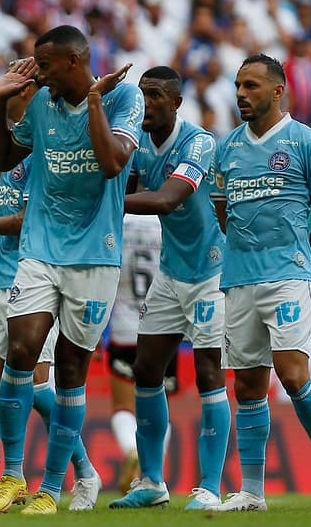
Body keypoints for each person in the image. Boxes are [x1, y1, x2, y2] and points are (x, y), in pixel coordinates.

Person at [0, 25, 143, 515]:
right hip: (41, 247)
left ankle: (53, 488)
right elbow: (4, 157)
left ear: (74, 61)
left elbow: (113, 163)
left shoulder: (124, 98)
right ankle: (12, 476)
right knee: (22, 348)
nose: (40, 75)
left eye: (46, 65)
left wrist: (95, 98)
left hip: (96, 255)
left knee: (72, 370)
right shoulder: (41, 104)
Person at [0, 78, 100, 513]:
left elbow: (30, 219)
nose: (10, 101)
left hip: (35, 281)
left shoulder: (50, 152)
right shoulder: (10, 156)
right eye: (5, 94)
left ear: (38, 96)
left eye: (17, 92)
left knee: (38, 389)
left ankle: (83, 470)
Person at [210, 54, 311, 512]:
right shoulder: (226, 148)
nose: (241, 94)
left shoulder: (307, 143)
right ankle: (252, 491)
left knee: (292, 374)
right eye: (237, 85)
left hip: (288, 276)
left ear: (277, 91)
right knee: (248, 385)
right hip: (240, 278)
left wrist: (301, 257)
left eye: (250, 86)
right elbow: (223, 211)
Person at [109, 66, 230, 511]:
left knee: (208, 374)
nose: (147, 102)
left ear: (176, 102)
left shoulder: (199, 142)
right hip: (170, 273)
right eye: (142, 95)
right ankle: (152, 481)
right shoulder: (137, 145)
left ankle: (210, 489)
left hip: (211, 274)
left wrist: (107, 202)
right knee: (145, 370)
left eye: (156, 94)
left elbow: (166, 199)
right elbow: (121, 178)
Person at [102, 212, 177, 495]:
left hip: (124, 327)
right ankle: (151, 472)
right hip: (162, 327)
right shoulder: (167, 218)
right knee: (160, 408)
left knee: (123, 408)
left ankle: (132, 450)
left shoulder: (117, 220)